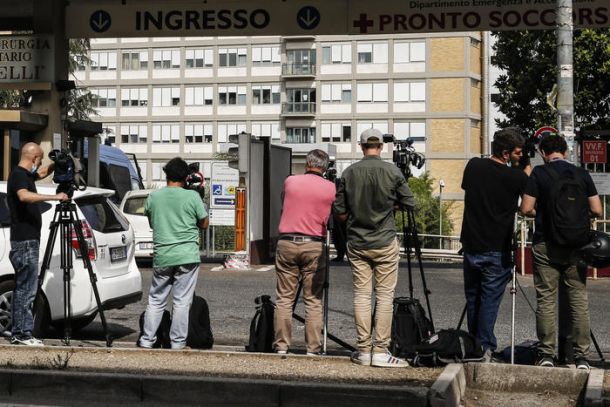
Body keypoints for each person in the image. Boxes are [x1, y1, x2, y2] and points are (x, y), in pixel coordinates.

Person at [334, 128, 415, 368]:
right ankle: (380, 350)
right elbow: (410, 203)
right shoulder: (392, 171)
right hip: (385, 241)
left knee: (361, 295)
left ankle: (363, 349)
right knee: (384, 296)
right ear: (381, 146)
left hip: (357, 242)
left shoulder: (349, 172)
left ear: (361, 146)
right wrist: (392, 206)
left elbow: (340, 212)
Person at [520, 135, 602, 371]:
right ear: (565, 152)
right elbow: (597, 210)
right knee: (579, 300)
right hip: (577, 245)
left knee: (546, 299)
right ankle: (581, 357)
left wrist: (543, 213)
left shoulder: (539, 173)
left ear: (543, 153)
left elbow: (526, 208)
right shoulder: (582, 174)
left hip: (546, 244)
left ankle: (546, 354)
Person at [460, 128, 530, 358]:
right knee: (489, 300)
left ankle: (473, 345)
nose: (522, 156)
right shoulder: (517, 177)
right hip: (497, 248)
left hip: (471, 243)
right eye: (518, 152)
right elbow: (529, 202)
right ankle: (485, 346)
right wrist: (525, 170)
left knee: (473, 298)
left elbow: (469, 188)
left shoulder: (473, 166)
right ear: (506, 153)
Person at [139, 157, 209, 350]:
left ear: (166, 175)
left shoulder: (154, 197)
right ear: (186, 177)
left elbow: (152, 222)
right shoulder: (192, 197)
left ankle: (147, 340)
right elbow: (204, 224)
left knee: (156, 300)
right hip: (187, 255)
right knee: (181, 301)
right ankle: (177, 343)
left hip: (163, 254)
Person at [274, 149, 336, 355]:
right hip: (314, 245)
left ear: (307, 164)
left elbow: (284, 203)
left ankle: (281, 346)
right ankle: (313, 348)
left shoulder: (290, 181)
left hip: (287, 242)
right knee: (313, 300)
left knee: (284, 298)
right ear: (325, 168)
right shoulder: (331, 188)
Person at [7, 142, 68, 346]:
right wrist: (55, 197)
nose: (40, 165)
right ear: (33, 158)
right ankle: (23, 334)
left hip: (27, 241)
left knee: (24, 289)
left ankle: (20, 332)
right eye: (40, 160)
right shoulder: (18, 176)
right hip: (24, 242)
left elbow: (40, 173)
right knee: (26, 290)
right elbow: (23, 196)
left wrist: (56, 164)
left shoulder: (25, 174)